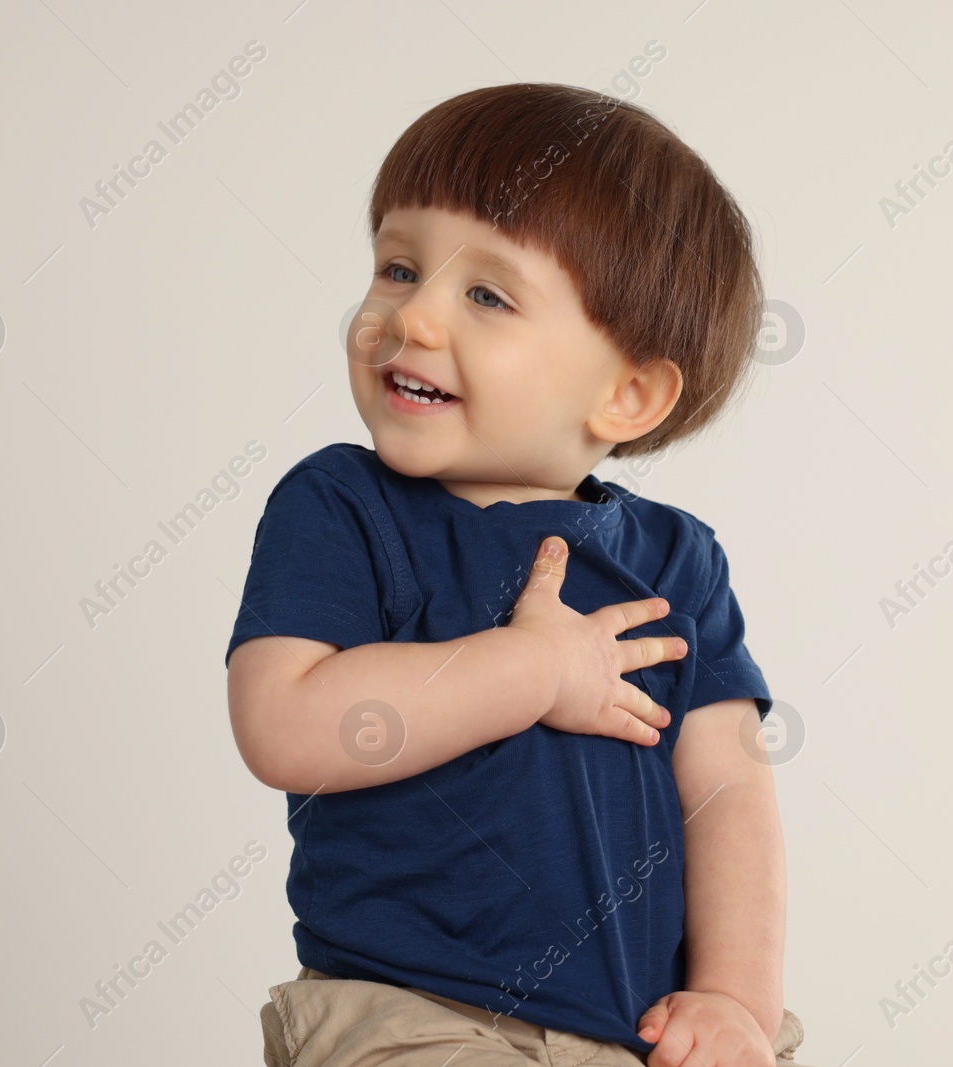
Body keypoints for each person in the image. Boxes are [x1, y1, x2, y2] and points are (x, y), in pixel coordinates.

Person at [226, 81, 808, 1067]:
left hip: (642, 1030)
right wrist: (530, 670)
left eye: (485, 294)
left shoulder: (675, 560)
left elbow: (728, 794)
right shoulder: (342, 506)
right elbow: (286, 726)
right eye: (399, 267)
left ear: (626, 393)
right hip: (416, 1014)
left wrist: (731, 999)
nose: (412, 318)